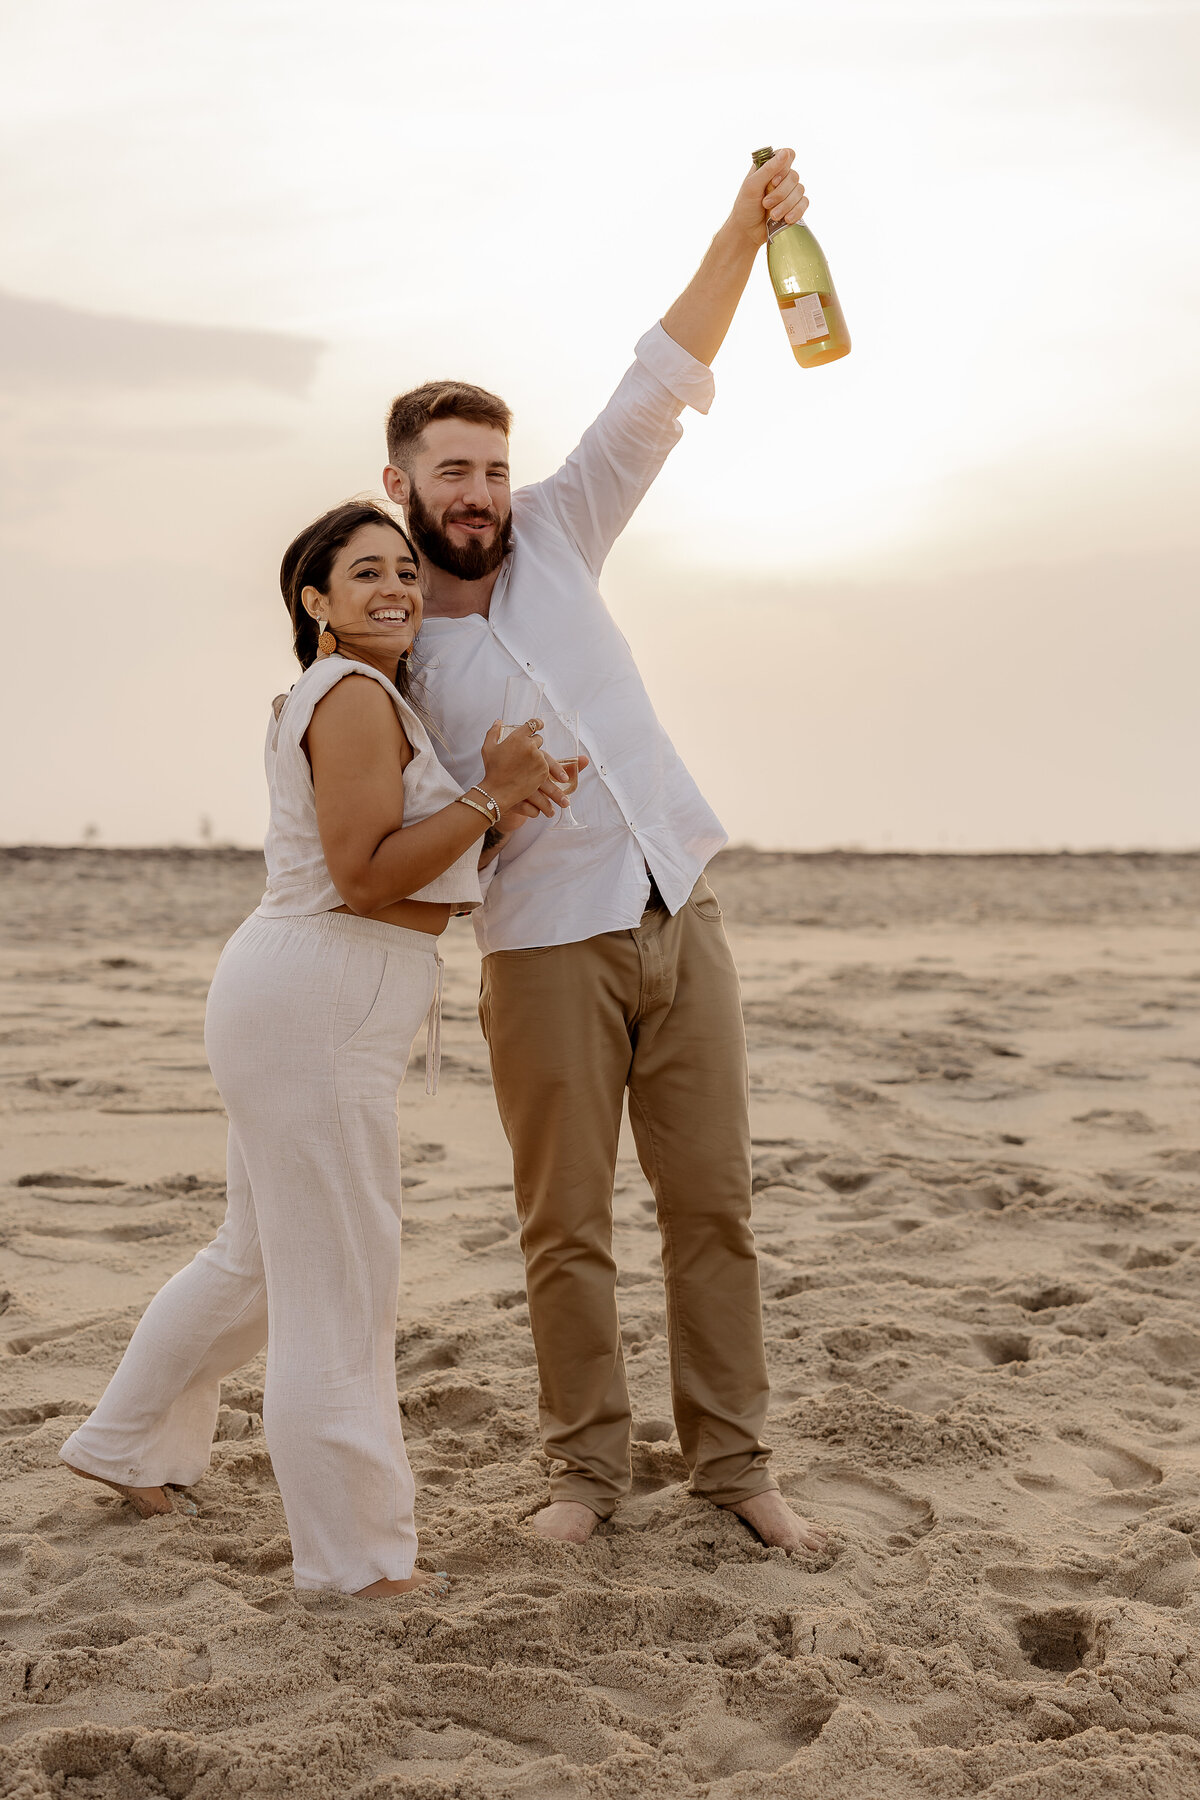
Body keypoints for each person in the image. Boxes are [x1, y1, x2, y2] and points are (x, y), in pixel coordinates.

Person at [382, 151, 828, 1553]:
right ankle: (582, 1476)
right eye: (453, 470)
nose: (480, 491)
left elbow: (661, 377)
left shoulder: (565, 531)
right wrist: (498, 798)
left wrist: (742, 233)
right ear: (395, 478)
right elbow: (390, 841)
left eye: (493, 467)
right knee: (565, 1225)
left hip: (678, 902)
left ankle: (736, 1466)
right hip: (542, 947)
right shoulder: (387, 651)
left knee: (714, 1207)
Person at [60, 502, 550, 1596]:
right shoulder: (354, 696)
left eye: (406, 572)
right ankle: (358, 1563)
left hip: (305, 998)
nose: (395, 588)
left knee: (259, 1261)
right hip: (315, 1001)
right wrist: (488, 794)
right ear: (314, 603)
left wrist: (502, 809)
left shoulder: (362, 699)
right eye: (364, 571)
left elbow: (399, 861)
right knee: (339, 1285)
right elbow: (367, 875)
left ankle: (124, 1441)